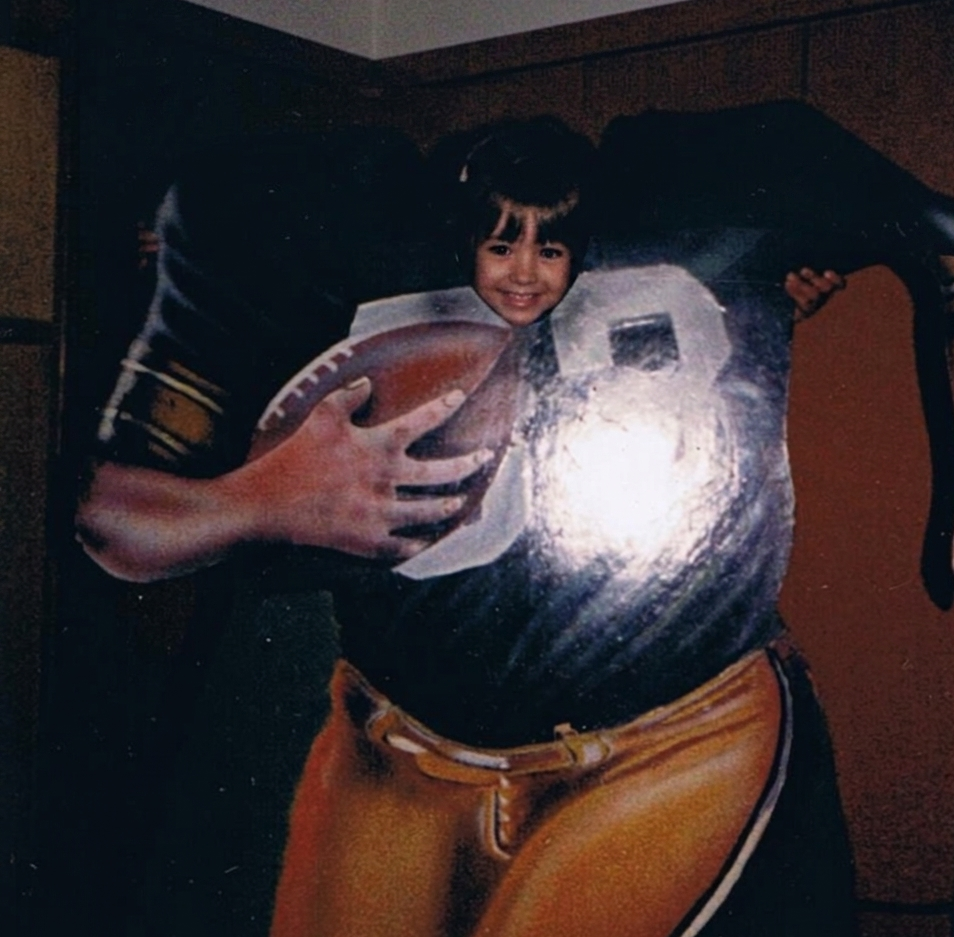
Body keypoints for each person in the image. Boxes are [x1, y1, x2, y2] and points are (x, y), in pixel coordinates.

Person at [77, 118, 852, 937]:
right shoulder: (262, 250)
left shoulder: (647, 244)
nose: (524, 269)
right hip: (395, 736)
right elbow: (111, 518)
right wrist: (264, 499)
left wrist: (767, 291)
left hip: (669, 733)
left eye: (549, 247)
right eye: (498, 241)